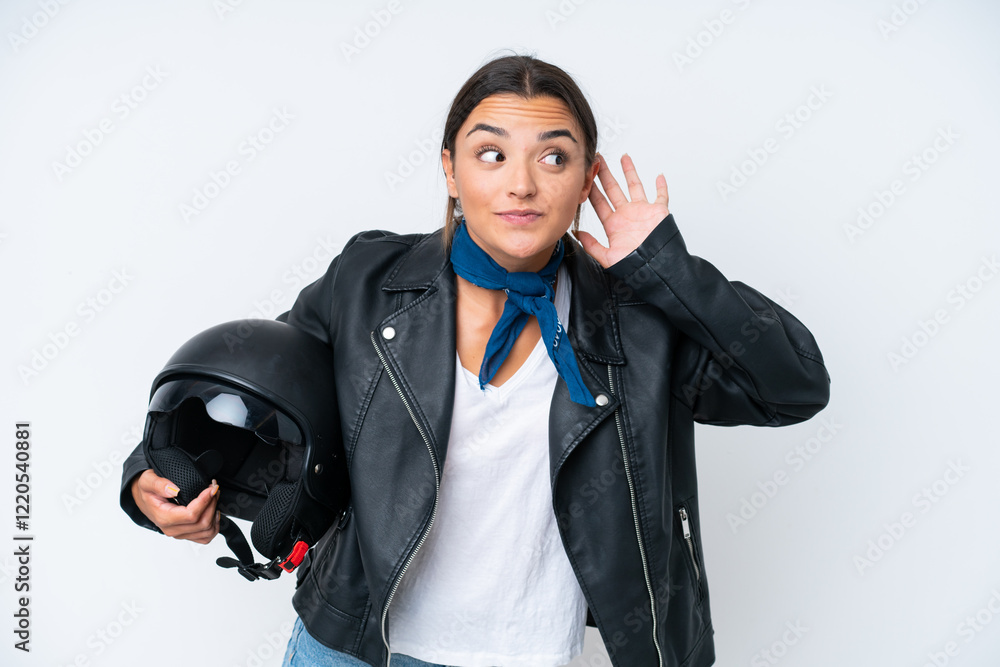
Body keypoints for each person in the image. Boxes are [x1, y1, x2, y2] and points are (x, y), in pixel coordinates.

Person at [120, 53, 831, 667]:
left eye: (553, 155)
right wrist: (151, 479)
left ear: (585, 181)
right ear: (450, 172)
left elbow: (793, 385)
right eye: (491, 153)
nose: (521, 183)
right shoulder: (368, 281)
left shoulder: (639, 322)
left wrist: (667, 269)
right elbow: (261, 395)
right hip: (352, 643)